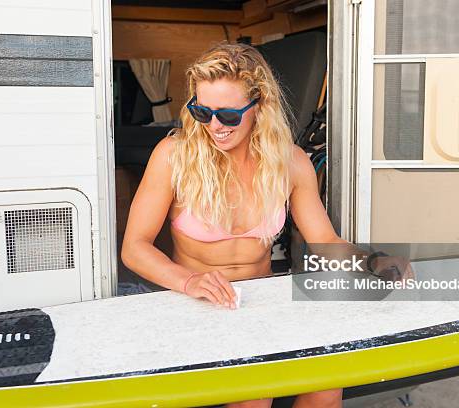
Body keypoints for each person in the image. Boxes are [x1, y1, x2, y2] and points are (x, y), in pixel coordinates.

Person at [122, 43, 411, 408]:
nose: (213, 126)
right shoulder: (174, 157)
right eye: (201, 111)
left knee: (328, 383)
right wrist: (189, 280)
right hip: (194, 302)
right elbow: (134, 247)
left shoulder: (290, 162)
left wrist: (372, 262)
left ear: (259, 106)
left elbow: (323, 240)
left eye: (227, 116)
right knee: (255, 395)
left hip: (259, 303)